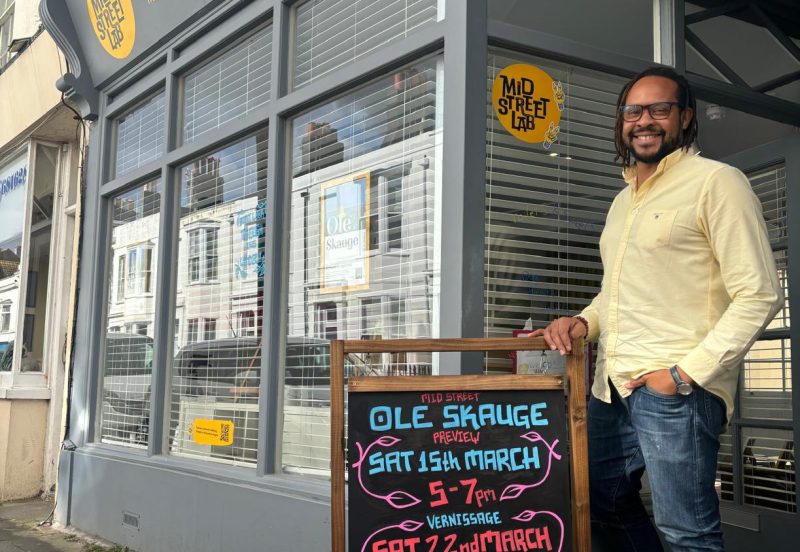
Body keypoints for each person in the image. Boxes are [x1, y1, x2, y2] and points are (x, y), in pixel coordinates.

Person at [530, 66, 782, 552]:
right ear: (621, 121)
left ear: (685, 117)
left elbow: (760, 293)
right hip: (611, 387)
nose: (644, 120)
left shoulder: (717, 183)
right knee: (600, 504)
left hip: (677, 389)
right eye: (633, 111)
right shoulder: (622, 202)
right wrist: (584, 322)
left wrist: (683, 374)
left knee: (688, 532)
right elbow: (616, 291)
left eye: (659, 109)